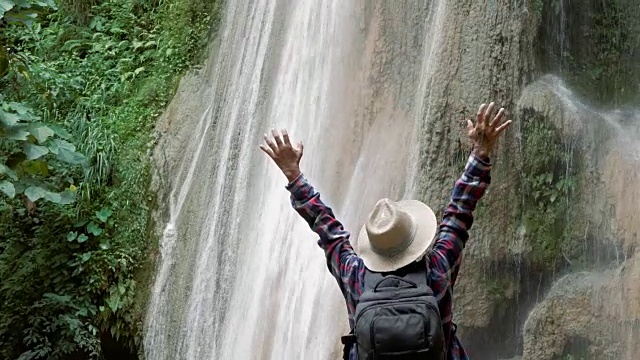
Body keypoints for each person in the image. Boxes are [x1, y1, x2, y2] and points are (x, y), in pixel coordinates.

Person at [259, 102, 512, 360]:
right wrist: (480, 152)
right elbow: (460, 211)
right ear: (415, 239)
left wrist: (293, 174)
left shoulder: (354, 276)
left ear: (373, 247)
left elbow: (328, 231)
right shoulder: (437, 269)